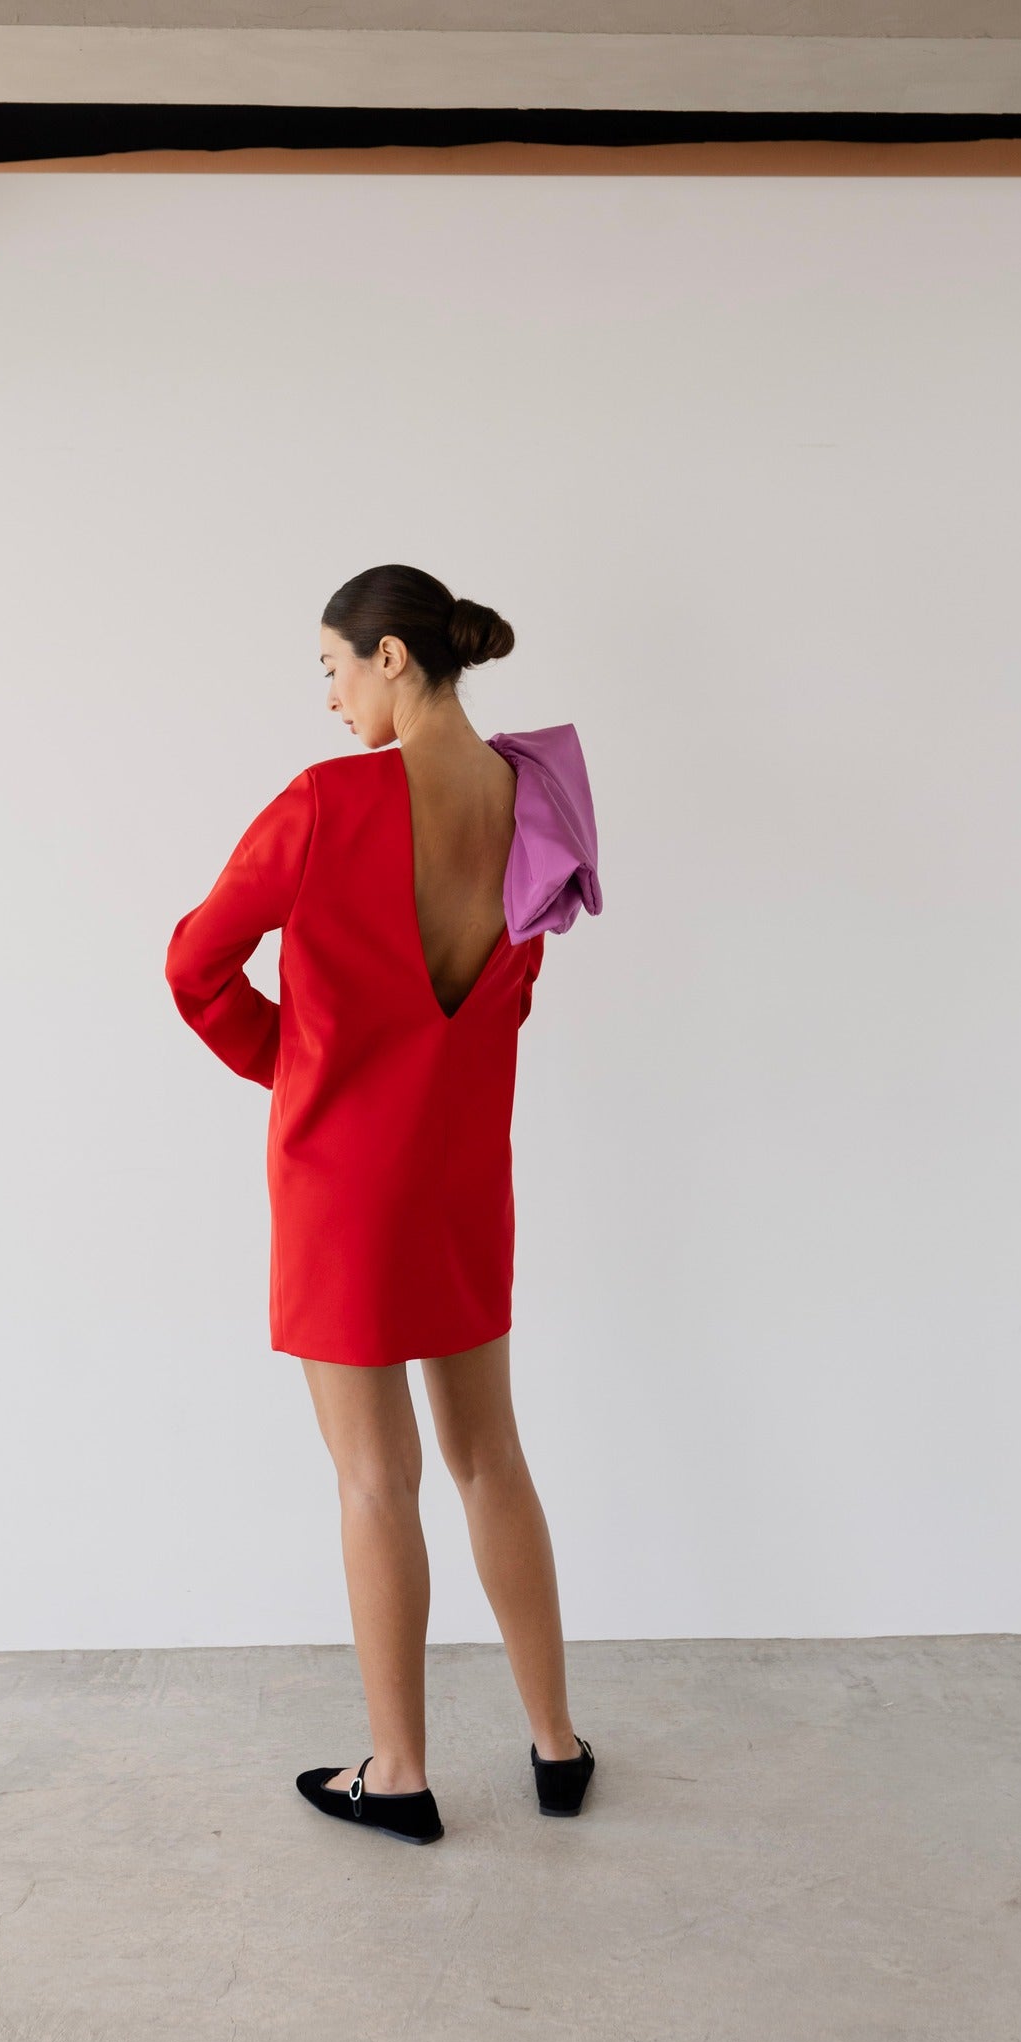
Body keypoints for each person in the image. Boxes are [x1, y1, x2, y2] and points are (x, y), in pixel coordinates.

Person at [164, 563, 603, 1845]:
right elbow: (508, 1003)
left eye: (334, 668)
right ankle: (557, 1746)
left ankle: (400, 1774)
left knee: (375, 1478)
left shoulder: (326, 805)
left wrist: (292, 1063)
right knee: (492, 1459)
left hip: (345, 1186)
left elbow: (194, 963)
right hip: (463, 1176)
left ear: (395, 658)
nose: (331, 695)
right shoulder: (541, 800)